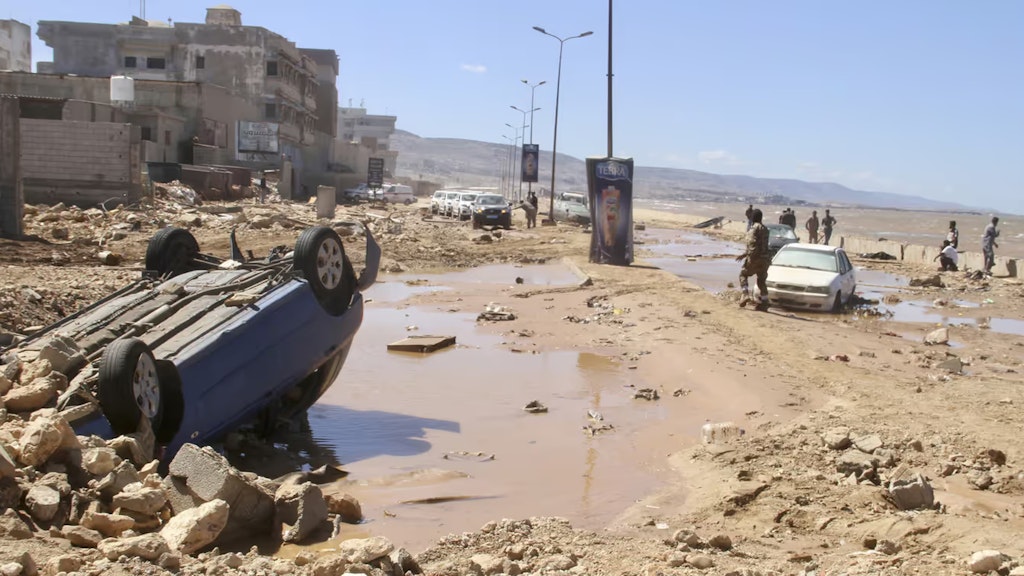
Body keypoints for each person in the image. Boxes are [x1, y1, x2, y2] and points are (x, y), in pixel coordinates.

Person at [736, 208, 770, 311]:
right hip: (765, 259)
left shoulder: (753, 229)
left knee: (743, 274)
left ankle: (745, 293)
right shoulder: (765, 229)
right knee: (761, 281)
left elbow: (752, 244)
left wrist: (745, 255)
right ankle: (764, 302)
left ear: (753, 217)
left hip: (755, 258)